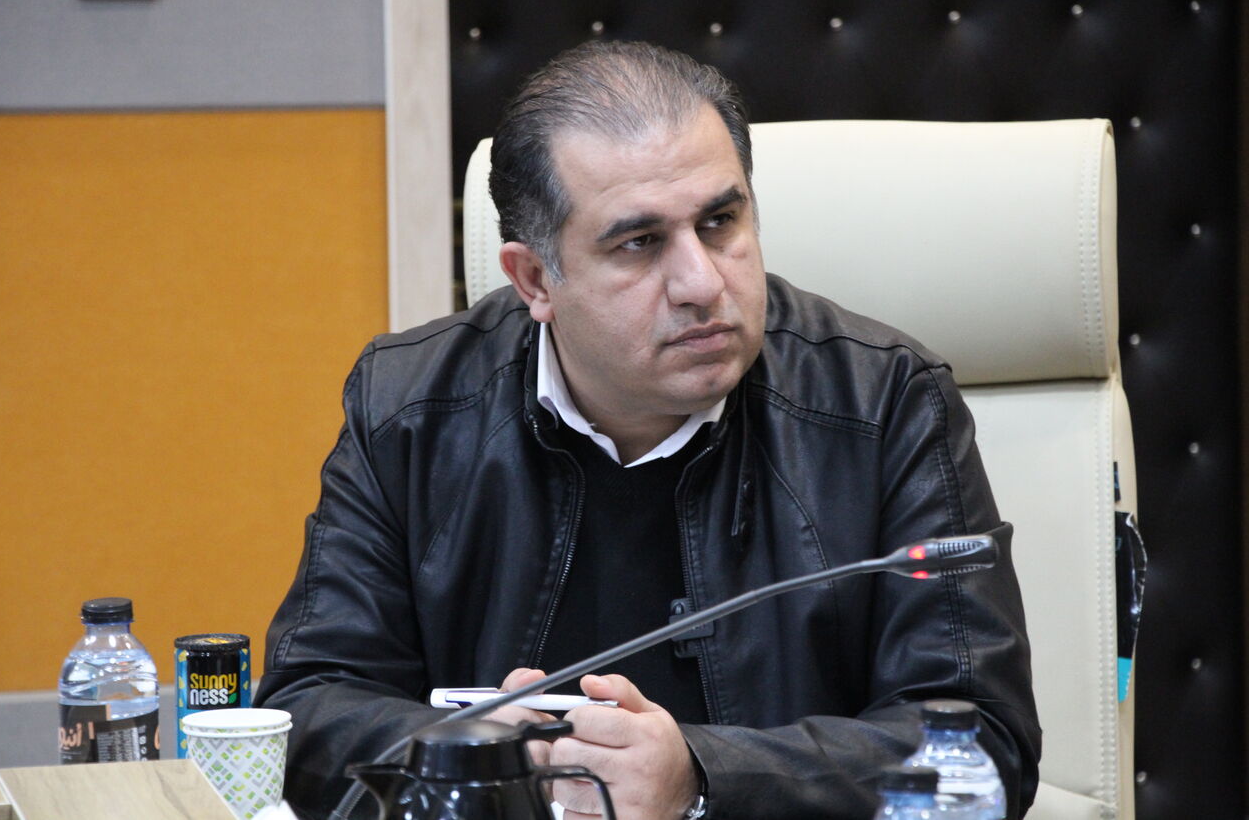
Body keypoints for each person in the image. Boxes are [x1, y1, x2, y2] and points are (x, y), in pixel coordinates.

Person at [256, 40, 1040, 820]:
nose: (703, 282)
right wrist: (475, 754)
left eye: (721, 221)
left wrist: (705, 777)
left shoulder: (884, 403)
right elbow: (307, 711)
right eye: (639, 242)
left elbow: (982, 744)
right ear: (535, 278)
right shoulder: (411, 408)